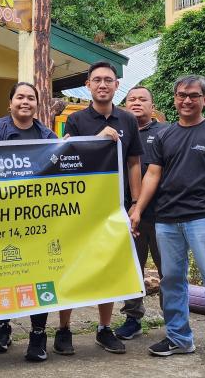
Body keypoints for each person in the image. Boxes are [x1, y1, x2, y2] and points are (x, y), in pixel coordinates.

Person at [129, 75, 205, 375]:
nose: (186, 100)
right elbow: (152, 175)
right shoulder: (165, 136)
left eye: (193, 95)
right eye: (181, 95)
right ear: (175, 98)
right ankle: (179, 338)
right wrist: (138, 209)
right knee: (171, 282)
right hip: (166, 220)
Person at [56, 61, 143, 356]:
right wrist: (97, 140)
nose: (103, 84)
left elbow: (134, 163)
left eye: (108, 79)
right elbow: (69, 159)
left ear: (117, 85)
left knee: (108, 268)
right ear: (89, 85)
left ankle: (104, 329)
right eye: (97, 80)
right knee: (70, 266)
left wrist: (136, 204)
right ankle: (64, 329)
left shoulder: (129, 120)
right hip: (79, 209)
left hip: (114, 208)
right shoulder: (77, 120)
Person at [0, 83, 58, 362]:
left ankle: (38, 334)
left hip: (36, 219)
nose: (25, 102)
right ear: (10, 102)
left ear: (37, 104)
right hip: (0, 217)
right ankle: (2, 326)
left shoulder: (48, 135)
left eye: (31, 98)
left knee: (39, 274)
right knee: (2, 271)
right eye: (20, 97)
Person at [114, 85, 167, 341]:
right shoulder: (119, 133)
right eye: (131, 99)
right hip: (127, 214)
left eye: (142, 99)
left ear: (152, 105)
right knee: (131, 268)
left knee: (168, 269)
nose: (136, 103)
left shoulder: (166, 133)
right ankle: (132, 318)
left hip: (161, 216)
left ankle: (174, 319)